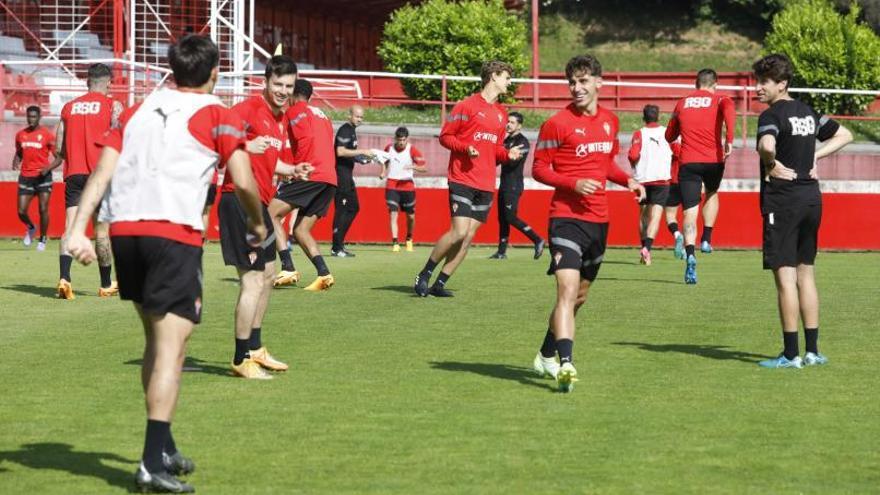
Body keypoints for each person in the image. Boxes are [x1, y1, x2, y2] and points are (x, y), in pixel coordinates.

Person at [66, 35, 267, 493]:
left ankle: (164, 448)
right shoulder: (219, 113)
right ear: (215, 72)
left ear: (173, 70)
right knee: (172, 350)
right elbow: (243, 179)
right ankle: (148, 464)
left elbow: (103, 170)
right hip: (171, 233)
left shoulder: (137, 109)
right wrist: (258, 224)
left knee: (156, 342)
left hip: (125, 234)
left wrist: (79, 227)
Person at [531, 54, 645, 393]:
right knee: (565, 291)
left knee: (578, 297)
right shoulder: (556, 124)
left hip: (599, 221)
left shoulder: (610, 121)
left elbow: (605, 164)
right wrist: (572, 183)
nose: (576, 88)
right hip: (565, 219)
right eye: (571, 82)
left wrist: (629, 181)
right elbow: (538, 168)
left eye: (583, 81)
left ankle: (546, 355)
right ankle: (566, 364)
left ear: (599, 82)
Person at [752, 54, 852, 369]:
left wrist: (771, 163)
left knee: (785, 278)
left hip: (783, 201)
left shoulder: (772, 115)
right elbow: (845, 135)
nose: (758, 88)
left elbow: (766, 144)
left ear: (781, 84)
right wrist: (815, 156)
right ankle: (813, 351)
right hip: (811, 199)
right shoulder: (809, 113)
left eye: (764, 82)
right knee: (806, 273)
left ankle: (791, 355)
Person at [218, 55, 313, 379]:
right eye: (278, 85)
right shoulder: (245, 110)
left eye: (288, 86)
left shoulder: (278, 118)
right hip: (239, 201)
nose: (283, 91)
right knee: (252, 280)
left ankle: (256, 348)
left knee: (270, 274)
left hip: (259, 203)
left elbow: (270, 162)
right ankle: (240, 357)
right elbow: (218, 144)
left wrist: (292, 170)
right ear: (265, 82)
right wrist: (245, 144)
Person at [413, 60, 524, 297]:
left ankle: (439, 284)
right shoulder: (466, 106)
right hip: (462, 178)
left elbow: (494, 149)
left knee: (468, 237)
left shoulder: (502, 115)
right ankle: (424, 274)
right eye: (506, 77)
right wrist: (465, 148)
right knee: (459, 231)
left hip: (486, 183)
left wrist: (508, 154)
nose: (509, 82)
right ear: (493, 76)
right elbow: (445, 137)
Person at [46, 63, 125, 298]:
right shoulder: (112, 105)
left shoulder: (69, 107)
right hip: (98, 175)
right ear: (109, 82)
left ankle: (64, 278)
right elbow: (118, 137)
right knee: (101, 231)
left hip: (74, 173)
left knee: (69, 227)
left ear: (87, 81)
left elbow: (59, 148)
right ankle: (104, 284)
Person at [664, 68, 735, 284]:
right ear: (715, 84)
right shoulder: (721, 99)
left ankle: (691, 255)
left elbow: (669, 135)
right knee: (712, 192)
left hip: (689, 162)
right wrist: (728, 139)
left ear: (696, 84)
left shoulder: (682, 103)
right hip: (714, 160)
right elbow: (729, 109)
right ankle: (706, 239)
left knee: (689, 212)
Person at [268, 79, 337, 292]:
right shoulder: (322, 115)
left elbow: (305, 139)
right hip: (330, 178)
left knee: (270, 214)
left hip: (312, 173)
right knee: (300, 229)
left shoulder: (296, 110)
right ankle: (324, 274)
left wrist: (298, 169)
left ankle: (287, 267)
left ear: (293, 93)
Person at [489, 111, 545, 260]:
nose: (508, 124)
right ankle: (501, 252)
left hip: (513, 186)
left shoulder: (522, 142)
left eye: (512, 122)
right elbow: (497, 159)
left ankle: (537, 239)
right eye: (508, 121)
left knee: (510, 217)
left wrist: (504, 154)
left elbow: (512, 160)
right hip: (504, 184)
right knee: (502, 218)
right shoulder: (506, 141)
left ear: (519, 125)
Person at [627, 104, 672, 266]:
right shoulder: (667, 132)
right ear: (658, 116)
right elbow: (678, 151)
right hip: (661, 179)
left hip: (643, 180)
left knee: (643, 216)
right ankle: (647, 248)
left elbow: (633, 154)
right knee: (656, 216)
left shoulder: (639, 133)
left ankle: (644, 250)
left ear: (644, 117)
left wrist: (633, 162)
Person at [331, 105, 376, 257]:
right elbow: (340, 151)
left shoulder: (352, 131)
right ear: (349, 115)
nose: (359, 119)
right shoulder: (345, 129)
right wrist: (362, 151)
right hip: (340, 175)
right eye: (357, 116)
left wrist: (361, 159)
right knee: (341, 210)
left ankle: (339, 244)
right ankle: (336, 247)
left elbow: (347, 153)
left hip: (347, 176)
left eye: (361, 117)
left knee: (354, 208)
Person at [13, 105, 55, 251]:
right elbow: (19, 151)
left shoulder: (47, 135)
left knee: (43, 208)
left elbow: (59, 158)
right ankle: (31, 227)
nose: (31, 119)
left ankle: (42, 240)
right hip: (26, 176)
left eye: (34, 116)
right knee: (21, 211)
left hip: (43, 176)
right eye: (29, 116)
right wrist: (16, 161)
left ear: (39, 117)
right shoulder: (20, 135)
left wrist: (47, 169)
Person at [380, 126, 427, 251]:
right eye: (399, 140)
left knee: (410, 216)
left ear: (407, 139)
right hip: (392, 184)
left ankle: (409, 238)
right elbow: (384, 161)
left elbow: (424, 168)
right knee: (393, 213)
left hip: (407, 186)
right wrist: (383, 172)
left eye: (403, 140)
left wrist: (413, 167)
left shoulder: (413, 150)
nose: (401, 142)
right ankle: (395, 242)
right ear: (395, 138)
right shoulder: (389, 148)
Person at [663, 139, 685, 259]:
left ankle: (677, 235)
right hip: (691, 182)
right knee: (690, 217)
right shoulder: (695, 136)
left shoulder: (672, 139)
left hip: (675, 180)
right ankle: (688, 250)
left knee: (670, 215)